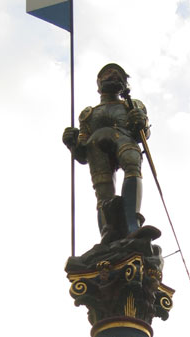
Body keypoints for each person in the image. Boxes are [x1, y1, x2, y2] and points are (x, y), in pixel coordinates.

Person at [62, 63, 149, 243]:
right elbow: (82, 154)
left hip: (123, 138)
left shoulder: (131, 105)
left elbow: (142, 134)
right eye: (108, 73)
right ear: (99, 83)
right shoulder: (89, 115)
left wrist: (141, 122)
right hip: (95, 146)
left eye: (118, 75)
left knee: (132, 162)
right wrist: (72, 143)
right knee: (103, 189)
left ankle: (132, 222)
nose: (113, 75)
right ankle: (107, 230)